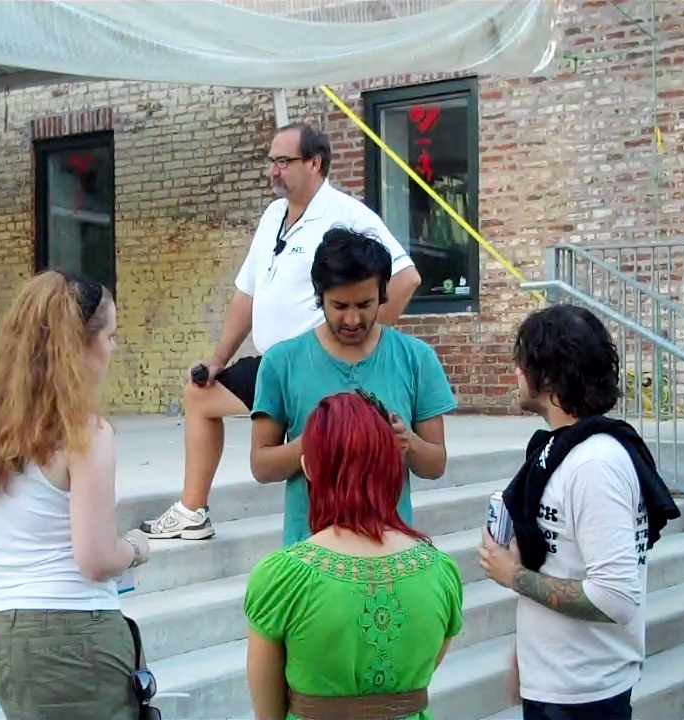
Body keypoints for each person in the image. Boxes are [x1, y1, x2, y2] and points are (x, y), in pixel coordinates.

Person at [140, 121, 422, 541]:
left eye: (284, 161)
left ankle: (350, 534)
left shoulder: (347, 215)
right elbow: (246, 295)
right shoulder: (273, 216)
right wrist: (217, 359)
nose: (274, 170)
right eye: (272, 161)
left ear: (315, 163)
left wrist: (360, 344)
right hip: (273, 364)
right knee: (199, 395)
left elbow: (406, 279)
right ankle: (192, 511)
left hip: (319, 365)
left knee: (325, 451)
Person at [0, 270, 154, 720]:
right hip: (78, 630)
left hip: (5, 631)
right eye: (110, 336)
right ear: (79, 347)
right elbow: (95, 558)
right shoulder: (87, 433)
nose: (113, 348)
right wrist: (137, 547)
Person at [477, 304, 681, 720]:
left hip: (584, 695)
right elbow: (562, 564)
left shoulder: (595, 464)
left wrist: (514, 576)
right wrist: (525, 653)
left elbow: (616, 597)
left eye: (523, 362)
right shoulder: (563, 452)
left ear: (548, 375)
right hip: (557, 683)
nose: (516, 372)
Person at [244, 391, 464, 720]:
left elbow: (268, 711)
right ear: (392, 465)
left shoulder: (282, 578)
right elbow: (419, 678)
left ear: (309, 468)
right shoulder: (440, 571)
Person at [250, 226, 456, 546]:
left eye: (364, 304)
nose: (352, 320)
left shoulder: (416, 358)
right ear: (319, 297)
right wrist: (318, 440)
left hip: (391, 550)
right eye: (340, 306)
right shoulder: (282, 362)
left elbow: (435, 464)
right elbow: (262, 466)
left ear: (382, 295)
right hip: (310, 552)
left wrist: (408, 443)